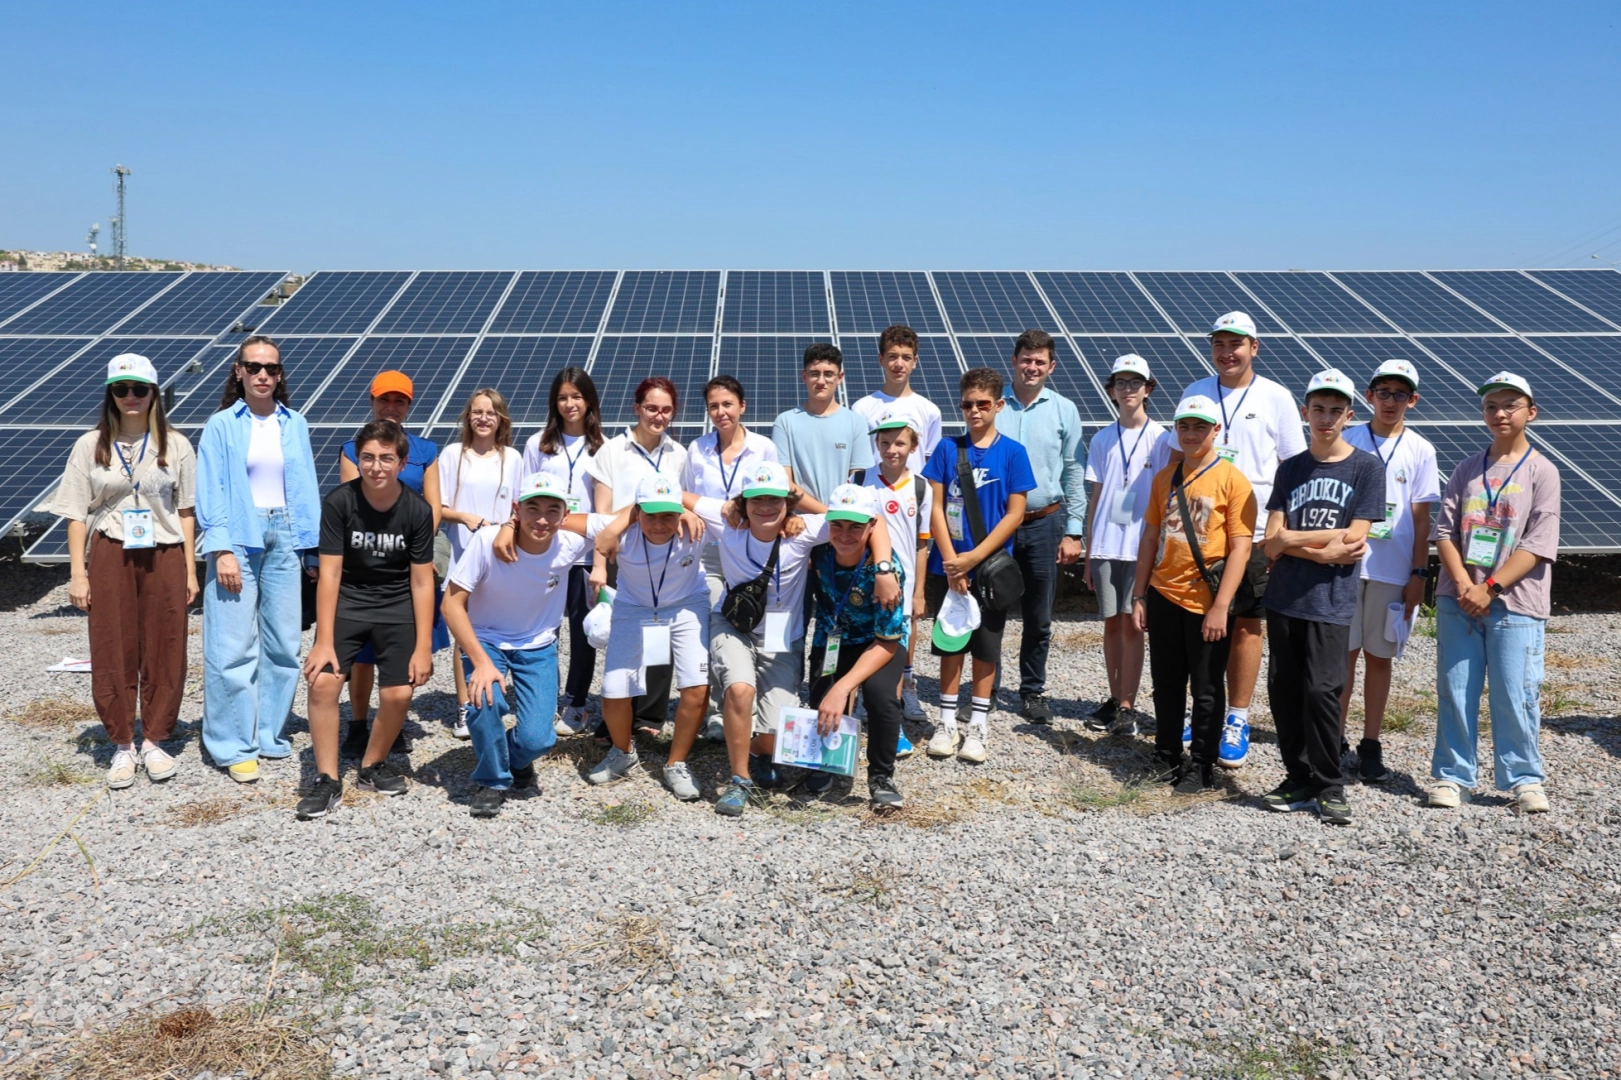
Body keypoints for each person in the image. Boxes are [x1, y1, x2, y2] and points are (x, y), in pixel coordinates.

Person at [685, 462, 896, 815]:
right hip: (734, 623)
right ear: (742, 502)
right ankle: (739, 781)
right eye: (755, 499)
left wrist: (885, 568)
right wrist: (686, 516)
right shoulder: (727, 521)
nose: (764, 507)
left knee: (775, 735)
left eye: (774, 499)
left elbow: (872, 521)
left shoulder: (807, 529)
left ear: (788, 501)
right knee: (741, 688)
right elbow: (677, 496)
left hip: (783, 638)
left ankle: (756, 748)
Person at [53, 354, 198, 788]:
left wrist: (191, 571)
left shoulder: (177, 445)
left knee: (166, 643)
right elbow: (75, 515)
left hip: (165, 551)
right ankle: (122, 744)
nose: (130, 397)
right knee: (112, 644)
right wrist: (78, 573)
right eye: (121, 390)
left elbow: (186, 511)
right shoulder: (89, 445)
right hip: (111, 551)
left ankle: (155, 740)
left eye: (139, 389)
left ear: (154, 393)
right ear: (110, 395)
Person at [1429, 371, 1559, 814]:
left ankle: (1524, 778)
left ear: (1530, 412)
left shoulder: (1544, 471)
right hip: (1458, 599)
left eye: (1510, 405)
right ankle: (1452, 776)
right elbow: (1444, 531)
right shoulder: (1468, 468)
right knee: (1455, 689)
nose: (1500, 413)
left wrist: (1489, 586)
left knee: (1515, 691)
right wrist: (1465, 585)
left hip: (1515, 603)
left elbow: (1537, 545)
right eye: (1491, 406)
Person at [1258, 371, 1385, 826]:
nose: (1326, 417)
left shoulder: (1366, 468)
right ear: (1304, 413)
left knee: (1322, 691)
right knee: (1284, 691)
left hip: (1331, 601)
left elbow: (1354, 538)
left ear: (1350, 415)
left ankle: (1330, 784)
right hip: (1285, 597)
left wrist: (1291, 537)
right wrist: (1315, 546)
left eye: (1336, 410)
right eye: (1318, 409)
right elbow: (1269, 542)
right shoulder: (1290, 468)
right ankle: (1298, 777)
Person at [1181, 311, 1307, 767]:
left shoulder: (1276, 397)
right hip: (1199, 536)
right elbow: (1182, 461)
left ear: (1255, 347)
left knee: (1247, 627)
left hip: (1253, 534)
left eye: (1236, 343)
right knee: (1201, 626)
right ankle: (1204, 711)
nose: (1226, 352)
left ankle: (1237, 717)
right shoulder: (1195, 391)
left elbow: (1294, 469)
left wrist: (1279, 530)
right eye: (1219, 343)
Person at [297, 419, 436, 819]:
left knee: (399, 693)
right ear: (358, 460)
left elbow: (422, 582)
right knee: (323, 684)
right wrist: (324, 639)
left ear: (403, 463)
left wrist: (424, 647)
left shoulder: (417, 510)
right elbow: (331, 574)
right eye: (368, 458)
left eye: (386, 459)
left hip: (397, 607)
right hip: (349, 602)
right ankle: (326, 777)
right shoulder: (340, 502)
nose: (377, 467)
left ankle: (371, 765)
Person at [196, 336, 321, 783]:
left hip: (286, 536)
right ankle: (232, 744)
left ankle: (268, 732)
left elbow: (305, 487)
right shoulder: (221, 425)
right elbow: (209, 489)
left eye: (270, 368)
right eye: (253, 367)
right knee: (232, 646)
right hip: (240, 535)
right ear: (238, 372)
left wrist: (309, 548)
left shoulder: (296, 423)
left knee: (284, 644)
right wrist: (221, 547)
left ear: (280, 374)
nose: (262, 374)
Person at [1131, 395, 1256, 793]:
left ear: (1215, 431)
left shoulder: (1232, 480)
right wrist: (1139, 593)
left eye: (1199, 426)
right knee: (1166, 682)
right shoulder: (1164, 477)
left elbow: (1241, 547)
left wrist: (1221, 607)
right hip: (1164, 592)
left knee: (1205, 687)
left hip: (1207, 601)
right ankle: (1166, 754)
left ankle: (1202, 763)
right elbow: (1151, 535)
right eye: (1184, 426)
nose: (1190, 433)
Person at [443, 473, 586, 817]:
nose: (541, 519)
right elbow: (450, 604)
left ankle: (511, 757)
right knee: (484, 705)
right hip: (486, 639)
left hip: (537, 646)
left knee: (540, 739)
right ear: (515, 510)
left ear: (565, 516)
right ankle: (492, 780)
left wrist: (684, 512)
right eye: (532, 508)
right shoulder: (486, 541)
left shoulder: (571, 544)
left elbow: (623, 521)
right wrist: (480, 662)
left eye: (553, 510)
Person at [923, 367, 1036, 763]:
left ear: (998, 405)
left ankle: (979, 726)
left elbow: (1015, 513)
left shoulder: (1013, 453)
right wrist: (953, 561)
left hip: (989, 567)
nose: (974, 411)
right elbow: (935, 507)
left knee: (986, 647)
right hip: (948, 566)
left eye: (982, 404)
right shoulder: (945, 449)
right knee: (950, 642)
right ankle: (947, 720)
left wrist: (974, 557)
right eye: (967, 404)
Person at [1336, 360, 1439, 783]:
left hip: (1392, 571)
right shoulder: (1349, 439)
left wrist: (1419, 573)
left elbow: (1420, 520)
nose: (1391, 401)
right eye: (1384, 393)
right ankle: (1334, 737)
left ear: (1412, 400)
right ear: (1369, 396)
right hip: (1345, 566)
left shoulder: (1420, 449)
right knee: (1341, 658)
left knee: (1380, 658)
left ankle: (1371, 743)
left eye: (1401, 394)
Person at [583, 474, 712, 801]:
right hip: (634, 607)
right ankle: (623, 752)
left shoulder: (697, 526)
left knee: (696, 687)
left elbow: (751, 516)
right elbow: (552, 519)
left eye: (668, 514)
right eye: (650, 515)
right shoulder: (621, 528)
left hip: (687, 605)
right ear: (636, 512)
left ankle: (676, 762)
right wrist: (511, 527)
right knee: (613, 691)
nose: (659, 524)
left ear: (680, 511)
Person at [337, 370, 444, 758]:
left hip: (409, 559)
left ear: (409, 405)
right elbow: (353, 508)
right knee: (363, 657)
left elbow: (431, 509)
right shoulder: (353, 449)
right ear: (372, 401)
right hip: (367, 562)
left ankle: (391, 722)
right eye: (385, 400)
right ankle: (358, 723)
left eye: (399, 401)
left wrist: (417, 553)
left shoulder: (426, 450)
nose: (391, 407)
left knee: (397, 650)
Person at [587, 376, 689, 741]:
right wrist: (603, 559)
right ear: (637, 408)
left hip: (665, 559)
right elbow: (602, 513)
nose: (658, 416)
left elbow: (686, 502)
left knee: (661, 638)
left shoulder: (679, 455)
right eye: (651, 408)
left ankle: (650, 714)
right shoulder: (612, 452)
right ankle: (618, 710)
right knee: (623, 639)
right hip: (624, 557)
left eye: (665, 410)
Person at [998, 329, 1089, 724]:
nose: (1031, 367)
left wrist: (1074, 529)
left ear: (1051, 367)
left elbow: (1073, 471)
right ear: (1014, 361)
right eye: (1025, 359)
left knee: (1039, 616)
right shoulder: (993, 404)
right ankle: (983, 690)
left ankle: (1032, 691)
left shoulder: (1064, 410)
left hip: (1044, 523)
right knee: (990, 613)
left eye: (1040, 362)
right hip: (998, 525)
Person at [511, 367, 606, 738]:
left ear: (589, 401)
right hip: (543, 553)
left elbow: (603, 509)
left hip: (583, 556)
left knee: (583, 632)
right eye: (563, 397)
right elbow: (524, 499)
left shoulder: (603, 448)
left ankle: (577, 702)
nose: (570, 404)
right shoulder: (537, 444)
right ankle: (541, 699)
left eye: (577, 397)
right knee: (541, 628)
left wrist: (599, 557)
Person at [682, 375, 778, 742]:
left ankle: (752, 703)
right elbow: (687, 494)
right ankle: (718, 712)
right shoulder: (698, 449)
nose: (720, 412)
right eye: (713, 406)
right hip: (708, 556)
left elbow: (776, 496)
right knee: (712, 631)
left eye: (727, 404)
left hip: (750, 557)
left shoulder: (763, 447)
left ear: (742, 407)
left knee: (750, 625)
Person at [806, 484, 910, 809]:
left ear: (871, 526)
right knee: (822, 697)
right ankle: (828, 760)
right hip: (834, 639)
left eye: (855, 526)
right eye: (837, 524)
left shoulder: (887, 572)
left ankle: (881, 776)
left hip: (879, 644)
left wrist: (845, 687)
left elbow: (888, 643)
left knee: (882, 698)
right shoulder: (818, 554)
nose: (845, 534)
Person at [1082, 354, 1169, 736]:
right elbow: (1097, 495)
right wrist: (1088, 551)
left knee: (1134, 625)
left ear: (1148, 388)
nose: (1128, 389)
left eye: (1135, 383)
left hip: (1141, 547)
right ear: (1112, 389)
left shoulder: (1163, 438)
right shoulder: (1102, 438)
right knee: (1111, 625)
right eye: (1121, 383)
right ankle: (1115, 699)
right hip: (1105, 545)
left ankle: (1130, 705)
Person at [438, 387, 522, 739]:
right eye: (476, 412)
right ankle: (465, 705)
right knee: (464, 630)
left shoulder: (512, 458)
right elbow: (439, 507)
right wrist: (464, 517)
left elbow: (519, 509)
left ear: (500, 418)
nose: (483, 418)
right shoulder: (453, 455)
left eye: (490, 412)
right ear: (467, 417)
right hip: (463, 552)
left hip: (501, 554)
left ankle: (495, 697)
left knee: (501, 625)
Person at [857, 404, 933, 748]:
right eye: (885, 442)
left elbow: (921, 545)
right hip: (864, 581)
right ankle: (860, 705)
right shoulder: (860, 481)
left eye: (900, 443)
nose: (892, 450)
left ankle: (891, 721)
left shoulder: (921, 488)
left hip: (900, 588)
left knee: (894, 651)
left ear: (913, 447)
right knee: (861, 643)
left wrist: (918, 591)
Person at [770, 343, 873, 503]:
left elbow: (859, 482)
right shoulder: (785, 422)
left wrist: (837, 515)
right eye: (814, 373)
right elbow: (784, 483)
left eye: (828, 374)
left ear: (840, 378)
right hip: (801, 523)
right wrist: (825, 514)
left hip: (845, 519)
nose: (821, 381)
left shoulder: (856, 423)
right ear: (804, 376)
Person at [849, 325, 943, 476]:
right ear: (881, 359)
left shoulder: (930, 411)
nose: (899, 364)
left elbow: (932, 465)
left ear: (915, 361)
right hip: (872, 495)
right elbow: (856, 464)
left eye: (906, 357)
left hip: (915, 496)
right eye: (892, 356)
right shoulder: (862, 409)